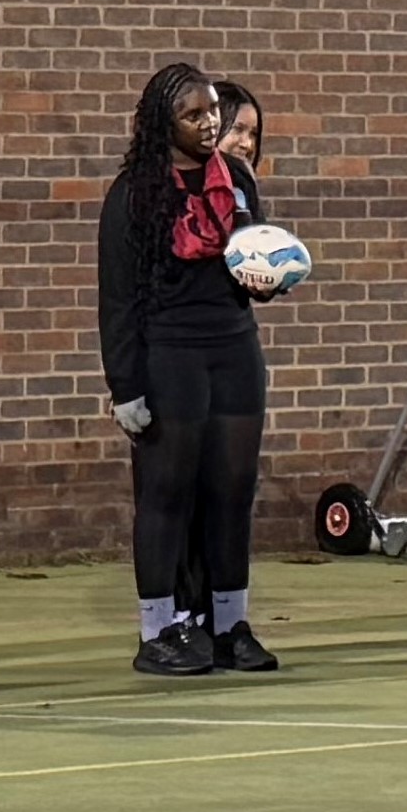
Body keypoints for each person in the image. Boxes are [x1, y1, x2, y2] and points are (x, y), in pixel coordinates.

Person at [97, 61, 285, 676]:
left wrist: (271, 277)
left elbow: (252, 259)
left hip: (233, 348)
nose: (209, 124)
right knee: (167, 493)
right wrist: (126, 386)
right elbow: (117, 300)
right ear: (164, 123)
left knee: (232, 491)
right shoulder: (133, 194)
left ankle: (228, 627)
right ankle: (158, 632)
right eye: (194, 115)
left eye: (213, 112)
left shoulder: (237, 179)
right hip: (168, 355)